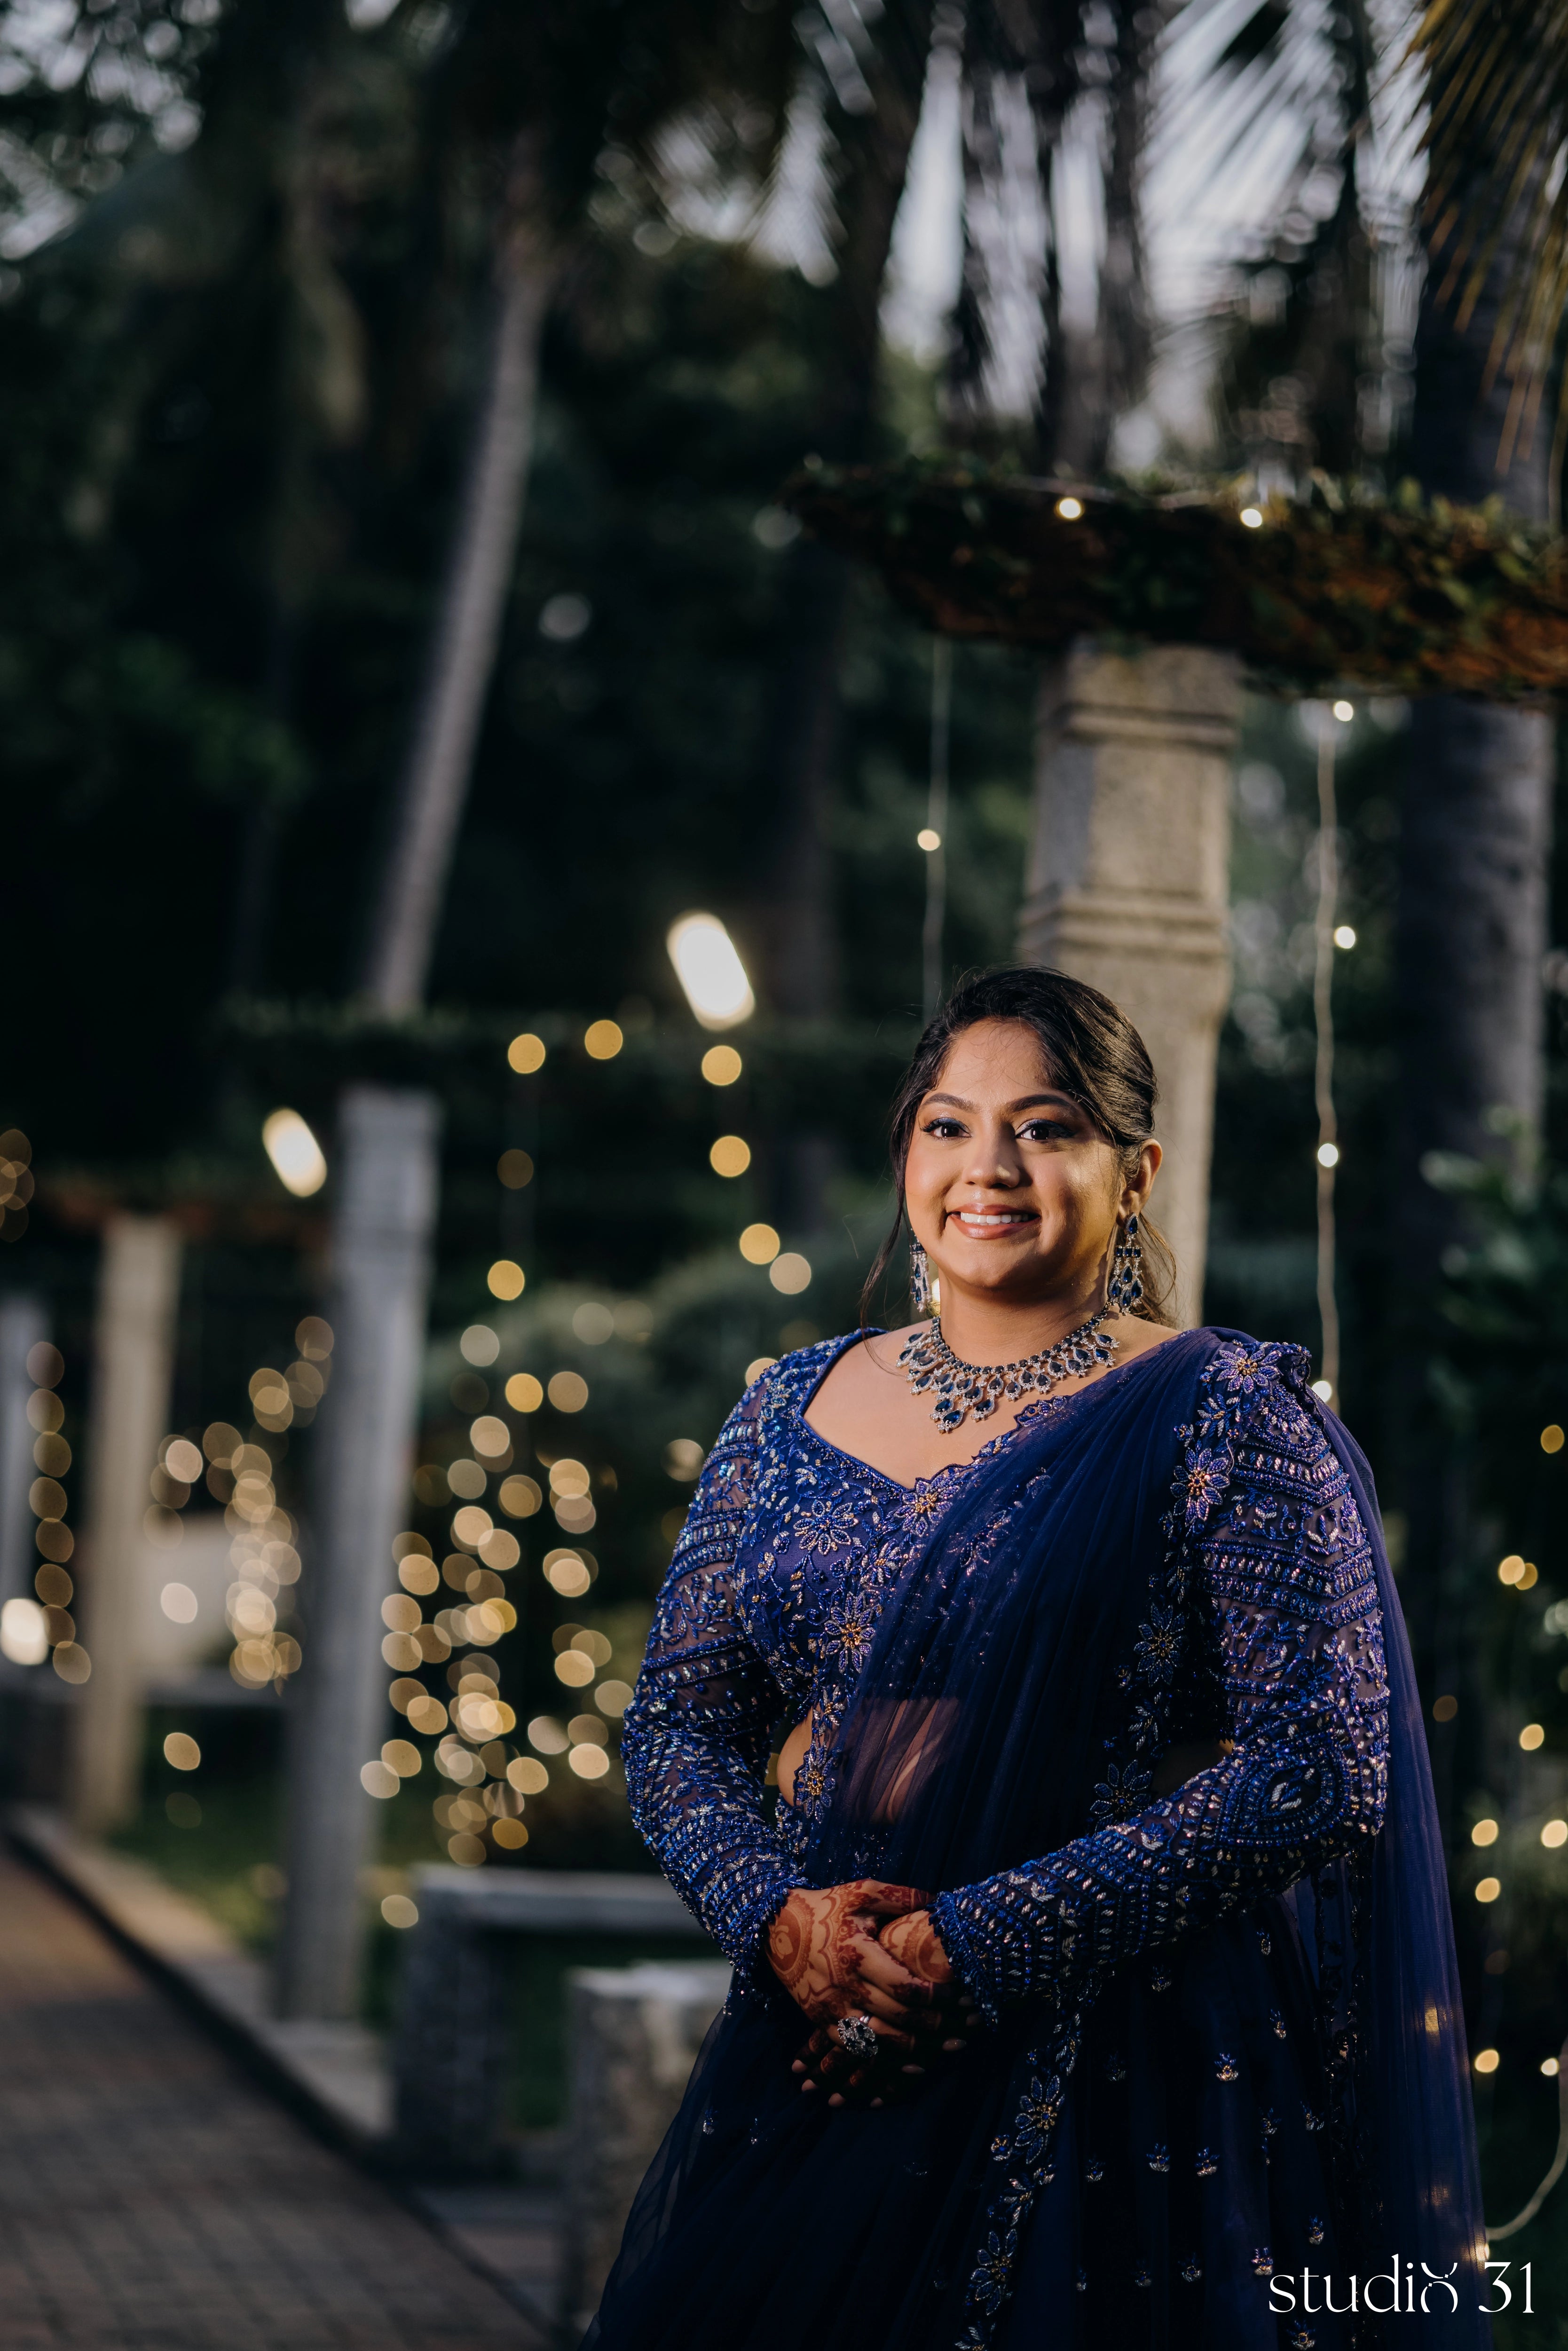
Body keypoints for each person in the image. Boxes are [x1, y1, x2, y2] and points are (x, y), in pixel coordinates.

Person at [589, 967, 1488, 2351]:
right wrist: (785, 1925)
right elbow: (677, 1727)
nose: (987, 1168)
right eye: (949, 1126)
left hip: (1134, 2073)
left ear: (1136, 1173)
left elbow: (1324, 1768)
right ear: (907, 1155)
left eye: (1046, 1126)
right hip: (836, 2040)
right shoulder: (786, 1405)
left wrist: (975, 1942)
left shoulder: (1221, 1413)